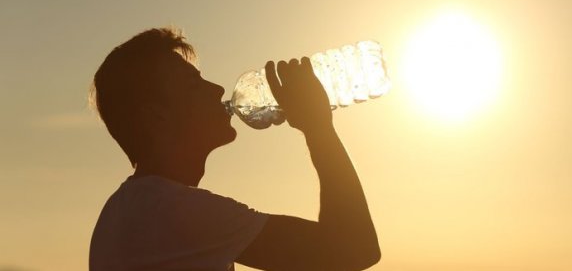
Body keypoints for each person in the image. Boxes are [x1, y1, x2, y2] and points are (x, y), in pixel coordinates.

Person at [89, 28, 381, 271]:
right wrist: (318, 127)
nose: (216, 89)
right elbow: (353, 250)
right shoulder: (167, 211)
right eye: (194, 85)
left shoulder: (127, 210)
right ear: (157, 115)